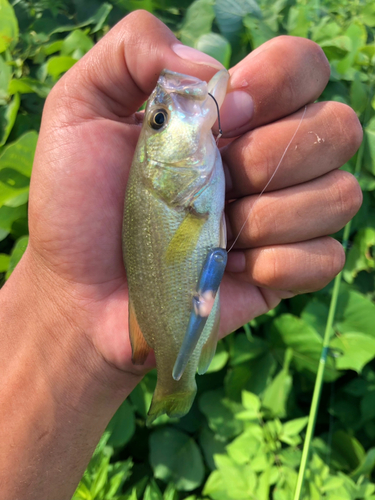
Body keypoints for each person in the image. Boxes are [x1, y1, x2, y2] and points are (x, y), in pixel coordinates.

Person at [0, 10, 363, 499]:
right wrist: (66, 312)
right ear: (156, 165)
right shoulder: (167, 187)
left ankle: (174, 380)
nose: (168, 107)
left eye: (158, 118)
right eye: (160, 120)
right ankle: (175, 380)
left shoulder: (179, 180)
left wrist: (69, 334)